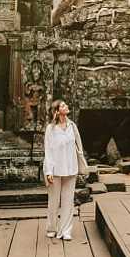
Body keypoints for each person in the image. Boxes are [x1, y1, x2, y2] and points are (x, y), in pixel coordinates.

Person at [43, 99, 85, 240]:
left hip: (70, 168)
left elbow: (79, 146)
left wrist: (81, 164)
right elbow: (48, 150)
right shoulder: (51, 129)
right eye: (63, 105)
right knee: (54, 201)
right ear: (56, 111)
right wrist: (48, 171)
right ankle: (52, 228)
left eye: (65, 105)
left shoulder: (72, 126)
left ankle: (65, 230)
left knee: (68, 200)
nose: (66, 106)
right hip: (55, 169)